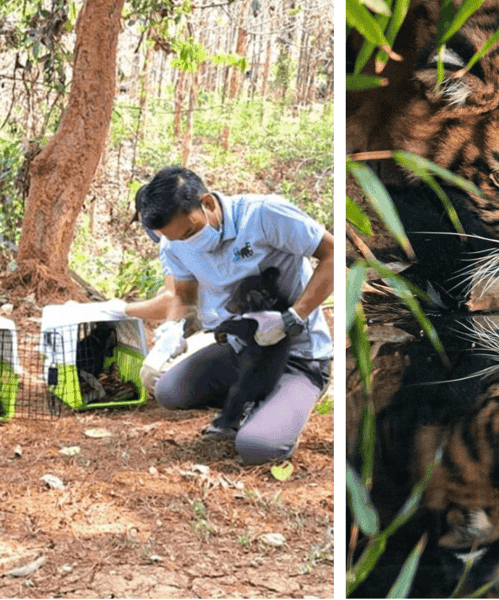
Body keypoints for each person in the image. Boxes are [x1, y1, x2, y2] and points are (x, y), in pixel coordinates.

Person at [92, 165, 333, 464]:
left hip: (299, 355)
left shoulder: (264, 214)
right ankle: (263, 403)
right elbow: (182, 300)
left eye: (191, 231)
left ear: (207, 203)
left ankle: (283, 407)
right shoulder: (174, 243)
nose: (187, 242)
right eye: (176, 238)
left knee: (257, 447)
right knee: (169, 392)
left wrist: (293, 317)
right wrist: (170, 330)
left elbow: (332, 254)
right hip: (242, 349)